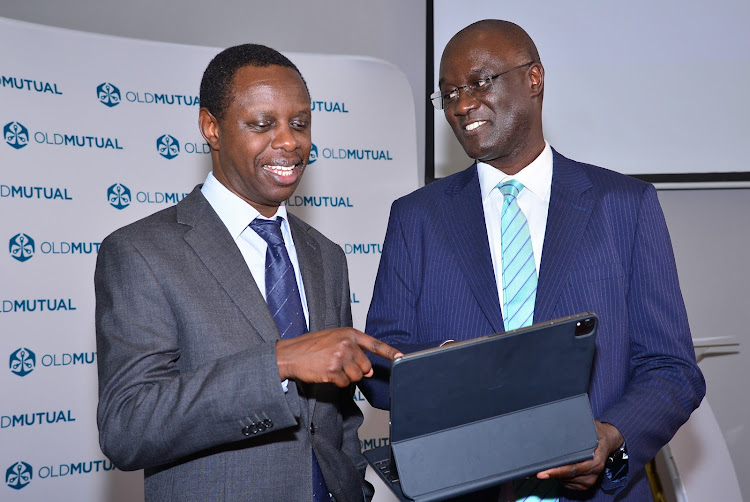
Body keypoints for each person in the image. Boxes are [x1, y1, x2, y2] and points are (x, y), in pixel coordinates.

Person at [358, 20, 705, 501]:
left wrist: (611, 436)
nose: (461, 105)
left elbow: (671, 368)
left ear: (535, 78)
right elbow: (380, 369)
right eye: (449, 93)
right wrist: (446, 373)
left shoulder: (625, 205)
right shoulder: (415, 217)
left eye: (478, 82)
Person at [95, 44, 400, 502]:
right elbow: (128, 427)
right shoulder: (141, 252)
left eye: (300, 123)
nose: (289, 141)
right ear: (210, 127)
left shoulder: (326, 256)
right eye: (262, 124)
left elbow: (337, 417)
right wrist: (279, 361)